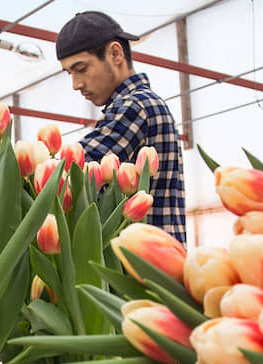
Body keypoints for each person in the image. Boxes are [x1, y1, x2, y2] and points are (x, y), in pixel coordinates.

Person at [56, 11, 187, 244]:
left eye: (82, 69)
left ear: (115, 53)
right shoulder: (143, 103)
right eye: (70, 73)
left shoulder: (135, 106)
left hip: (143, 269)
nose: (76, 84)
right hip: (157, 264)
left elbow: (71, 171)